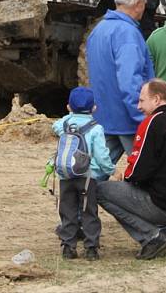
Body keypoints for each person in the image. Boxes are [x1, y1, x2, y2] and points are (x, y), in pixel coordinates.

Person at [96, 79, 166, 260]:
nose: (138, 106)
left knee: (100, 190)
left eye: (142, 100)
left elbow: (138, 172)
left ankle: (152, 237)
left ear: (157, 99)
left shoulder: (153, 122)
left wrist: (125, 179)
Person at [86, 0, 154, 162]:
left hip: (105, 115)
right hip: (128, 119)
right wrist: (142, 116)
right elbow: (129, 80)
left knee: (98, 168)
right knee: (145, 168)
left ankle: (79, 191)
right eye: (144, 4)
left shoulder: (98, 30)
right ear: (138, 3)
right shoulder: (127, 33)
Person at [52, 87, 114, 261]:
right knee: (88, 211)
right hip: (88, 176)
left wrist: (69, 116)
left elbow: (54, 125)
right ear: (94, 108)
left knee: (67, 211)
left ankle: (68, 247)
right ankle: (91, 248)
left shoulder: (63, 125)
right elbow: (101, 156)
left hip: (65, 176)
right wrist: (111, 170)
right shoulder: (96, 128)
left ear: (68, 107)